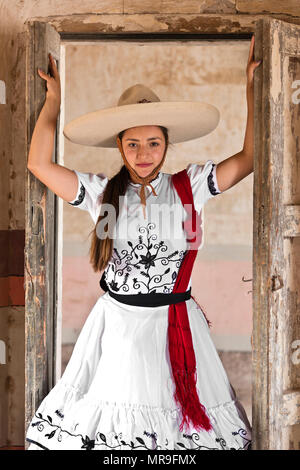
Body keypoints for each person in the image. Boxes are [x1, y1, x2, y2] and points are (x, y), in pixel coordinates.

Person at [26, 37, 260, 450]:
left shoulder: (191, 186)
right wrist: (53, 102)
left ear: (167, 143)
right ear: (119, 145)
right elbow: (38, 165)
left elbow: (248, 159)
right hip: (119, 327)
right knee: (122, 432)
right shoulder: (101, 193)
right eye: (132, 143)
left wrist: (251, 88)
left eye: (153, 143)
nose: (144, 153)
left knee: (179, 435)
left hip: (177, 323)